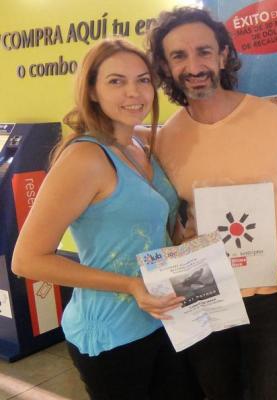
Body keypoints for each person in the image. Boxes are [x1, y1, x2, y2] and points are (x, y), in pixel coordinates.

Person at [146, 7, 277, 400]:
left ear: (223, 55)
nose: (194, 66)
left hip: (272, 298)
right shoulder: (163, 139)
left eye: (204, 51)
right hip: (200, 294)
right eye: (179, 56)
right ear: (166, 67)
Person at [11, 38, 200, 400]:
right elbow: (26, 260)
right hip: (113, 334)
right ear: (93, 91)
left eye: (143, 80)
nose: (134, 92)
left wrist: (183, 237)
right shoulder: (85, 158)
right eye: (116, 81)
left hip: (164, 317)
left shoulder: (139, 146)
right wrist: (131, 285)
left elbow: (146, 230)